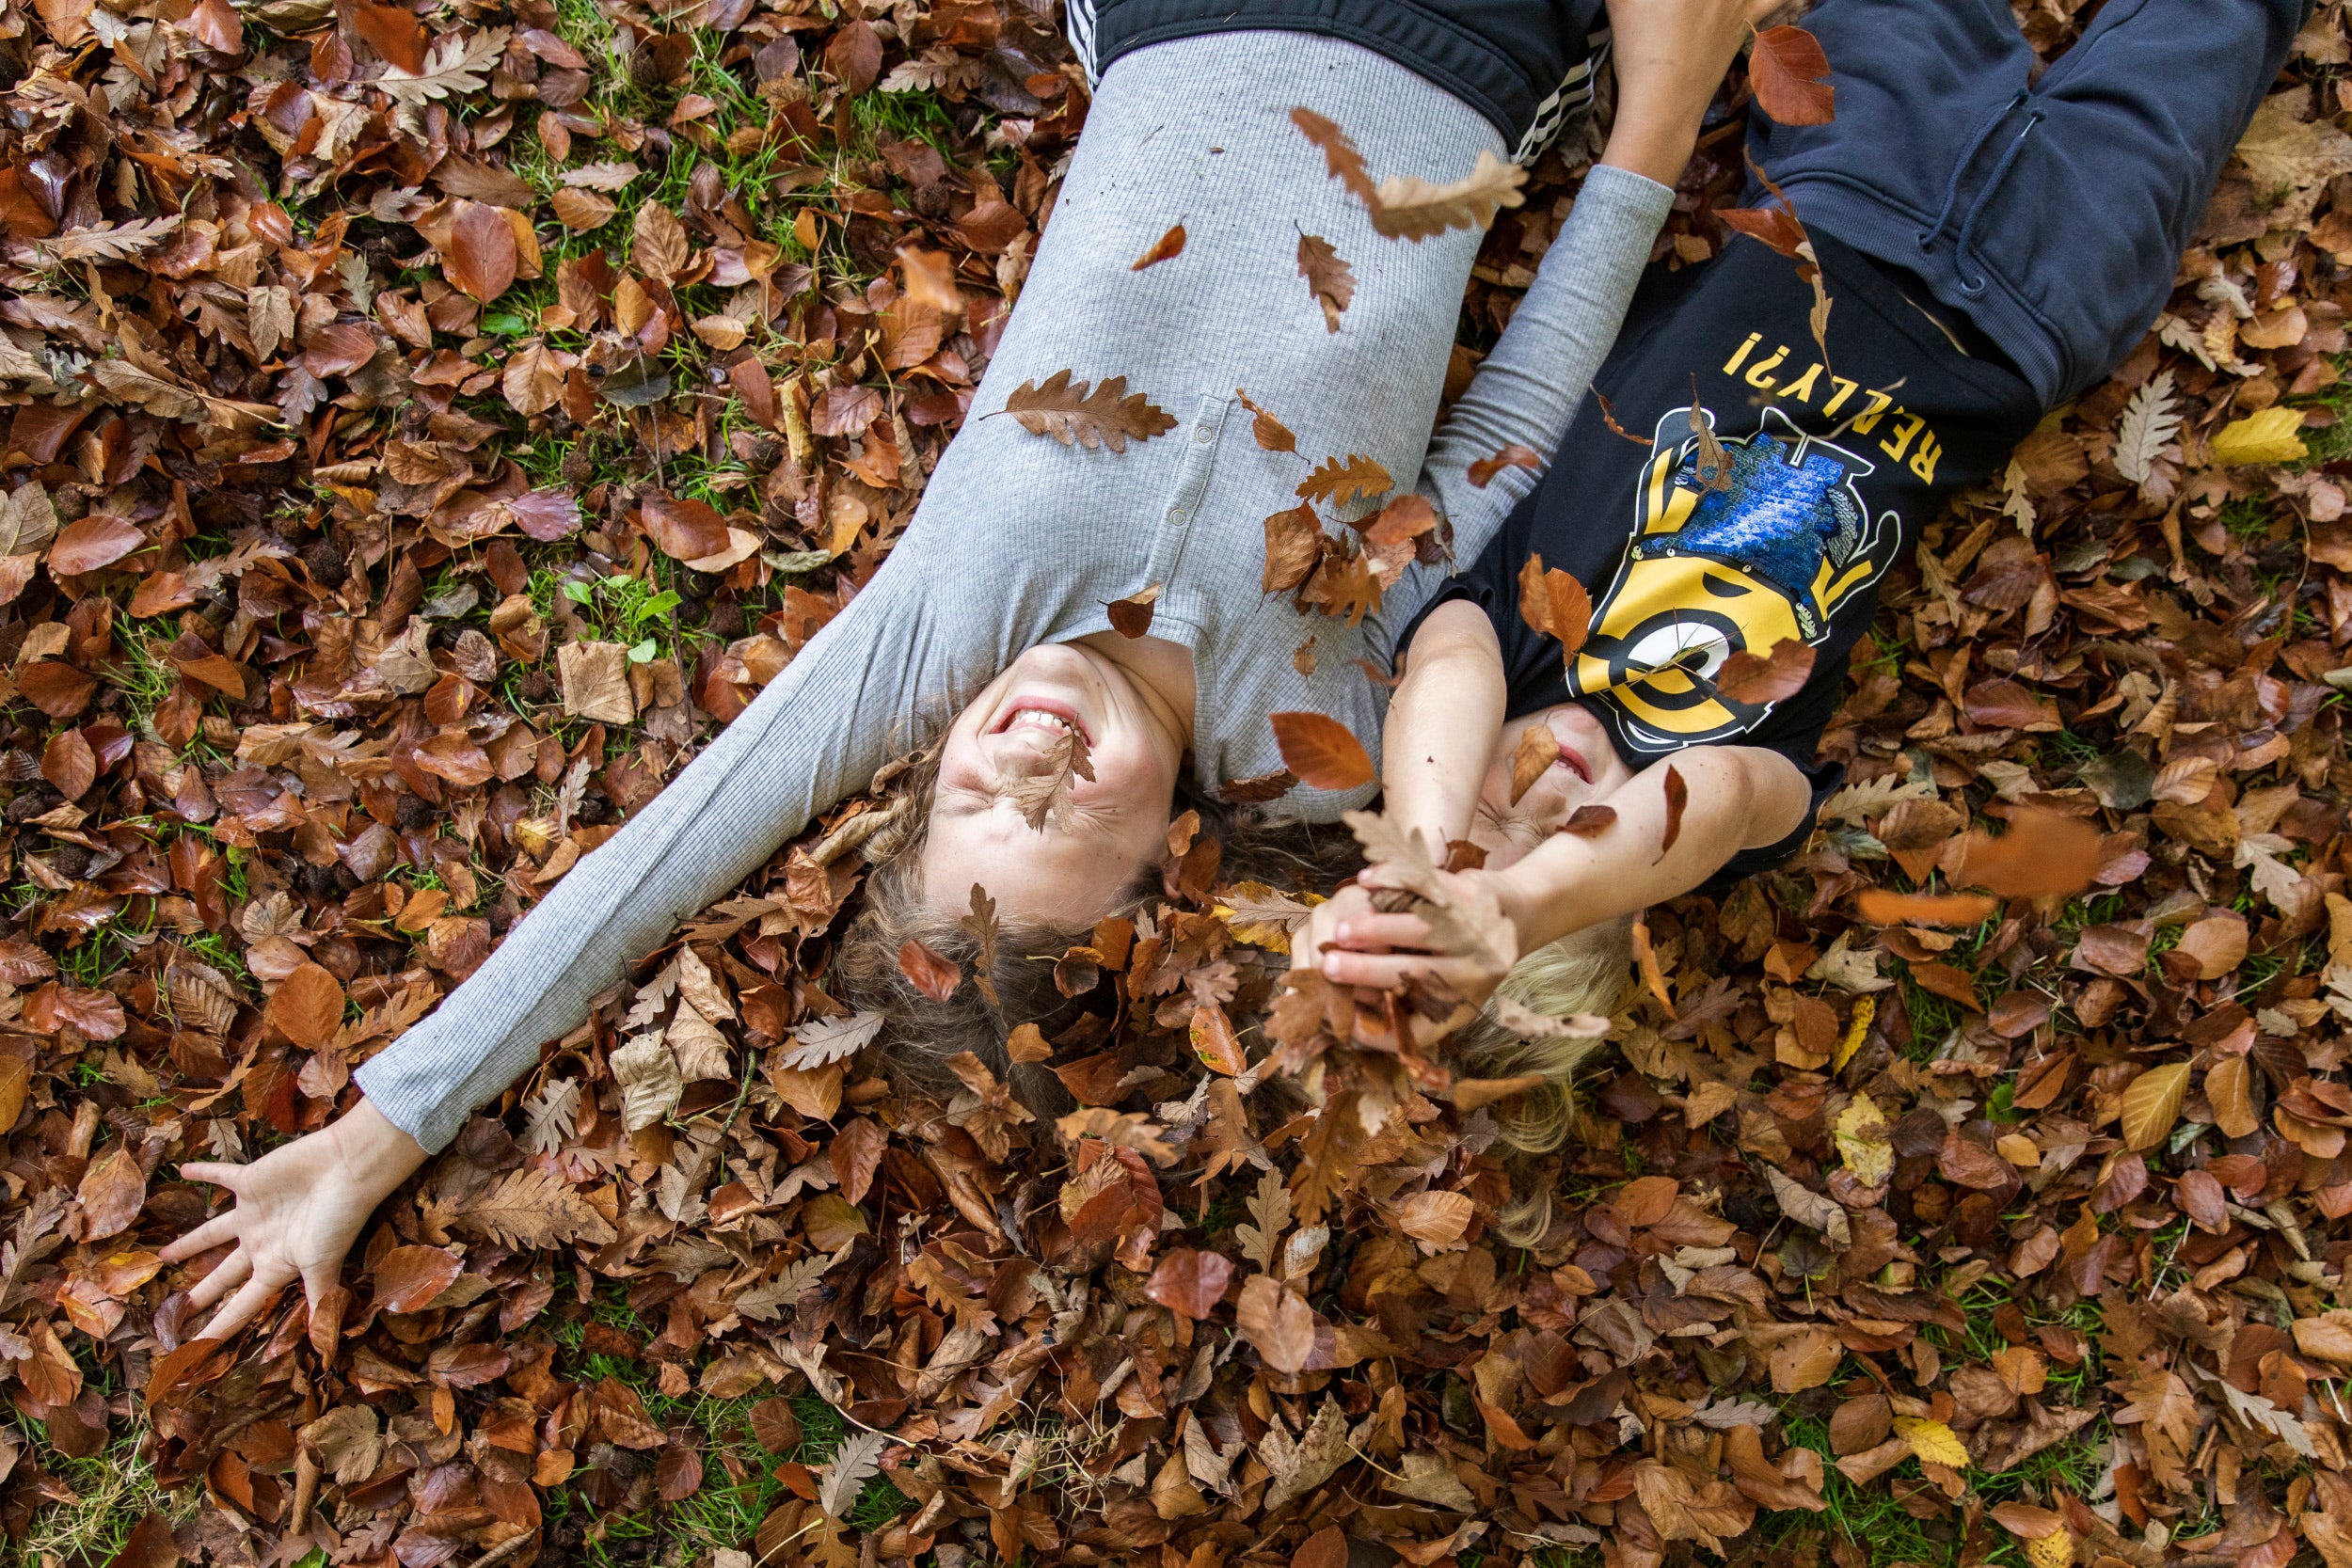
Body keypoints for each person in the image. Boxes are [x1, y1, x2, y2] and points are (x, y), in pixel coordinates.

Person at [158, 0, 1783, 1338]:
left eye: (978, 791)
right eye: (1067, 811)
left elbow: (648, 869)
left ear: (923, 775)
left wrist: (383, 1129)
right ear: (1168, 861)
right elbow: (1504, 438)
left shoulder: (948, 625)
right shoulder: (1313, 725)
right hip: (1470, 45)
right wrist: (1660, 118)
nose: (1030, 754)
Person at [1295, 0, 2306, 1031]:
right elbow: (1717, 803)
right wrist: (1519, 901)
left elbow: (1443, 677)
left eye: (1497, 809)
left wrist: (1426, 865)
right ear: (1621, 890)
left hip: (1840, 186)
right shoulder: (1729, 783)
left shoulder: (1494, 641)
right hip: (2042, 297)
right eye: (1570, 844)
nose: (1554, 802)